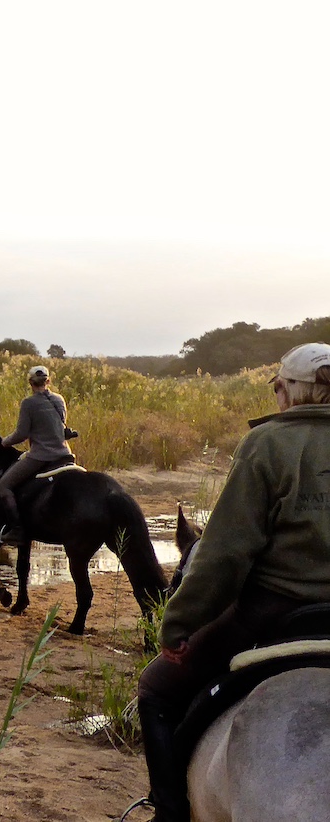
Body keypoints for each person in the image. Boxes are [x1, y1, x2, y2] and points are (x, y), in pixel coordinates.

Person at [131, 342, 330, 822]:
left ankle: (170, 812)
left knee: (156, 692)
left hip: (275, 608)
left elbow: (224, 555)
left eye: (279, 388)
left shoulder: (267, 445)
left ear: (292, 392)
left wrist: (178, 626)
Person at [0, 365, 76, 545]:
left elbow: (21, 433)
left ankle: (17, 530)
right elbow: (59, 427)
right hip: (65, 454)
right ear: (48, 381)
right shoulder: (59, 399)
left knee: (4, 485)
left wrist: (5, 442)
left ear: (30, 383)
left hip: (41, 456)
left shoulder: (28, 403)